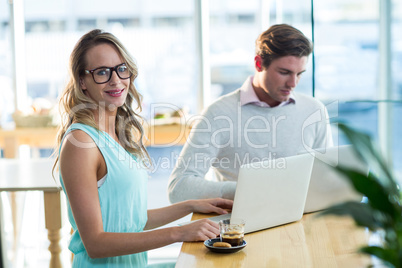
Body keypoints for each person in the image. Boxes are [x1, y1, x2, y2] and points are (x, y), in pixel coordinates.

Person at [53, 29, 233, 267]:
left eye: (121, 69)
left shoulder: (115, 134)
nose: (116, 80)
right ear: (83, 81)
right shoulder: (81, 143)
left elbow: (131, 222)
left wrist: (190, 206)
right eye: (102, 72)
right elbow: (95, 244)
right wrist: (179, 233)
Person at [168, 24, 333, 203]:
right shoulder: (218, 114)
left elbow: (326, 179)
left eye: (299, 74)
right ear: (258, 63)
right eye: (284, 72)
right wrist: (249, 190)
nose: (293, 83)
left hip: (303, 222)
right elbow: (179, 189)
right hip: (243, 225)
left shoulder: (314, 111)